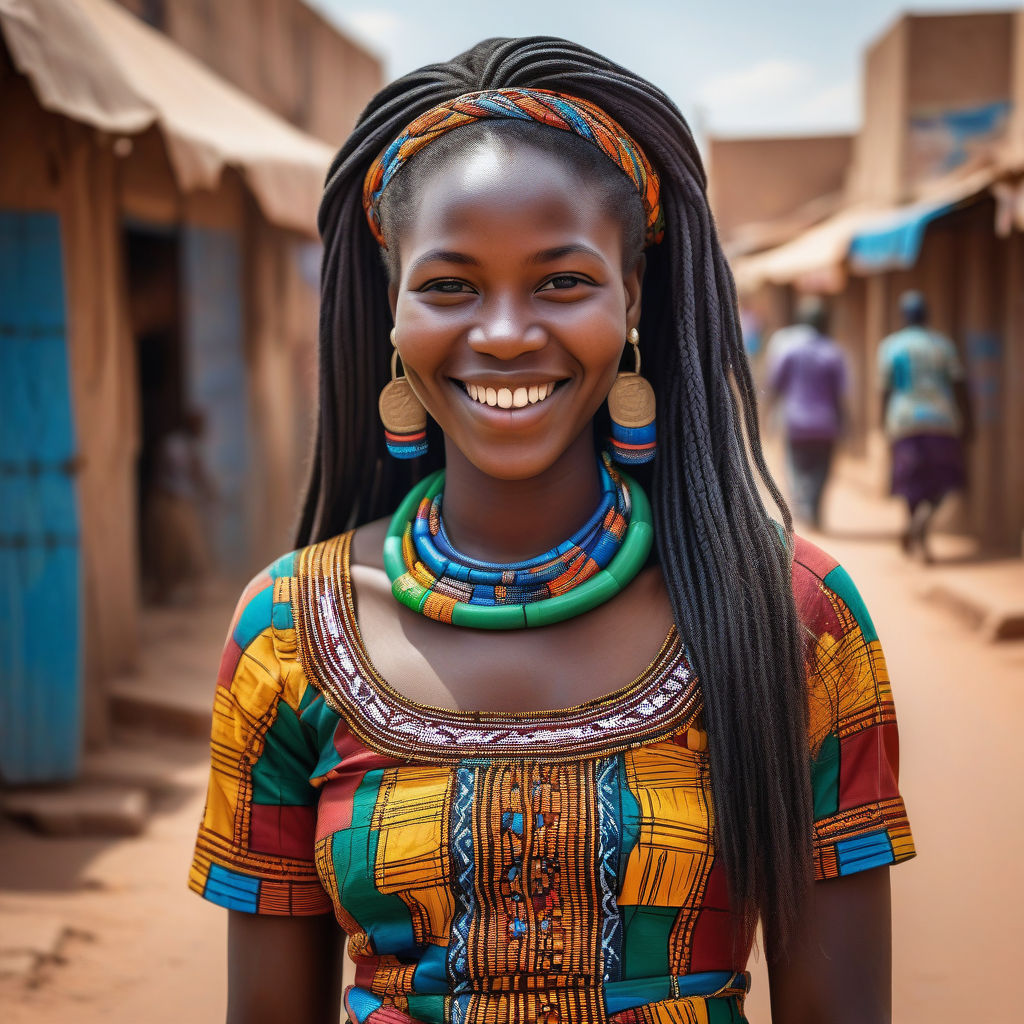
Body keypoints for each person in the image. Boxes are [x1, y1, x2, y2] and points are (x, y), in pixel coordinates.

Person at [189, 38, 914, 1024]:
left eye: (561, 282)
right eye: (448, 285)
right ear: (392, 308)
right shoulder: (286, 634)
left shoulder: (792, 618)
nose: (502, 333)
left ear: (633, 302)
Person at [879, 290, 972, 561]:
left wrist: (883, 424)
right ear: (926, 315)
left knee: (911, 483)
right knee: (945, 481)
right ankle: (922, 526)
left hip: (904, 421)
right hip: (942, 421)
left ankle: (913, 526)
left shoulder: (890, 346)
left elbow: (884, 390)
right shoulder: (942, 345)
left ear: (903, 316)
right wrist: (968, 420)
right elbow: (959, 384)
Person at [768, 296, 849, 529]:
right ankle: (813, 507)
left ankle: (803, 506)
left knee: (796, 466)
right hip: (826, 423)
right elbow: (840, 393)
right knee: (821, 468)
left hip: (796, 422)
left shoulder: (789, 349)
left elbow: (776, 383)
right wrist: (845, 422)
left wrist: (767, 413)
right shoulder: (833, 351)